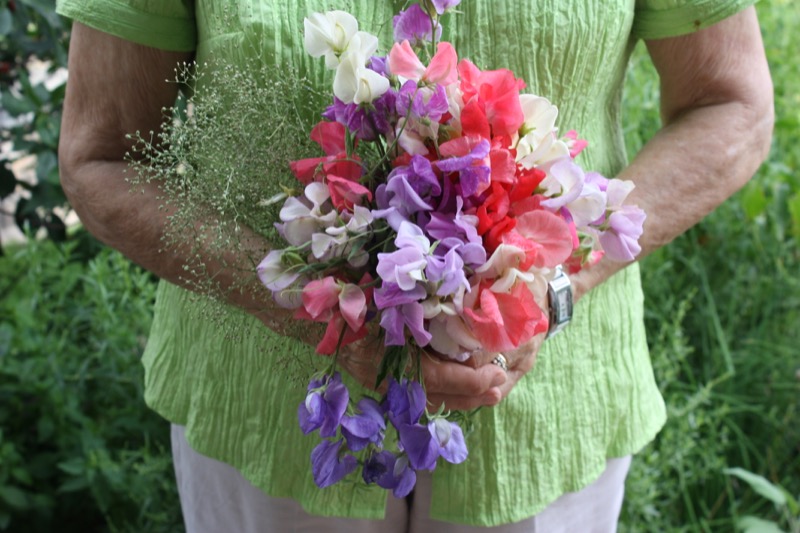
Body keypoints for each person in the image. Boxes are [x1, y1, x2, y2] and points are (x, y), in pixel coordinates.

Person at [56, 0, 773, 531]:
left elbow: (731, 103)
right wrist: (324, 312)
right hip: (269, 417)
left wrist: (549, 285)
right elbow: (101, 158)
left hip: (545, 419)